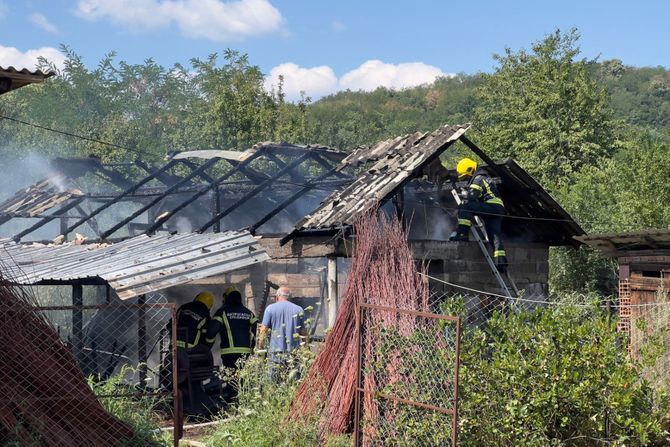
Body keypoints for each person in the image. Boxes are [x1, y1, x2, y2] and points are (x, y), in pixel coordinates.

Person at [449, 157, 508, 273]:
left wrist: (461, 200)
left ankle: (462, 234)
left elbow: (472, 195)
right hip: (498, 209)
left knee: (465, 206)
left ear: (471, 170)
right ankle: (501, 264)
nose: (467, 178)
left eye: (466, 176)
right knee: (494, 237)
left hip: (491, 207)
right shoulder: (483, 177)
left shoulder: (479, 178)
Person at [257, 286, 306, 381]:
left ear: (277, 296)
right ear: (289, 297)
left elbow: (263, 331)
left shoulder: (270, 309)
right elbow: (304, 333)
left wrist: (261, 348)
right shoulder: (299, 309)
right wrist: (305, 351)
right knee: (293, 382)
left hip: (275, 354)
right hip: (293, 353)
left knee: (273, 383)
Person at [206, 286, 258, 370]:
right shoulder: (248, 313)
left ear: (226, 298)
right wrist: (253, 346)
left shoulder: (222, 312)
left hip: (229, 354)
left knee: (231, 380)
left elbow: (211, 331)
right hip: (245, 354)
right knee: (243, 380)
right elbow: (258, 331)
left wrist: (207, 345)